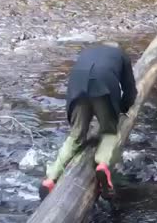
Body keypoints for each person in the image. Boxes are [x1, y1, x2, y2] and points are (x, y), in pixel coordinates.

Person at [39, 42, 137, 201]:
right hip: (103, 84)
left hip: (77, 84)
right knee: (109, 132)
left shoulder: (87, 52)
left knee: (75, 136)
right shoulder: (121, 55)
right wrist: (121, 110)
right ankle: (102, 165)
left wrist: (76, 120)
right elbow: (130, 90)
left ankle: (51, 178)